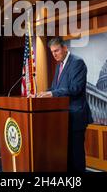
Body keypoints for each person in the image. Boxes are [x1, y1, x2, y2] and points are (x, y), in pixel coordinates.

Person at [36, 36, 93, 172]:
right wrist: (41, 94)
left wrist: (53, 94)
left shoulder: (77, 62)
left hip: (75, 117)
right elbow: (55, 88)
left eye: (57, 51)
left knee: (76, 156)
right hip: (62, 118)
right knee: (65, 155)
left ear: (65, 48)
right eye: (52, 52)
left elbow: (75, 88)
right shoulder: (59, 65)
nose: (54, 54)